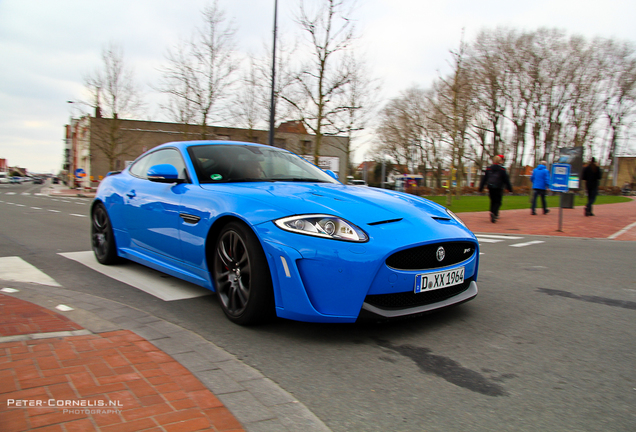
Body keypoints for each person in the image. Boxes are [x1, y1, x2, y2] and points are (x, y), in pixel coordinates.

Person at [479, 155, 513, 223]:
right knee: (498, 201)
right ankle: (494, 213)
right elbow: (506, 179)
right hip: (499, 187)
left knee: (492, 200)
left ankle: (492, 212)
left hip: (490, 187)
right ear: (500, 161)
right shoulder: (502, 169)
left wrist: (481, 187)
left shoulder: (488, 169)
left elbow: (485, 178)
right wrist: (509, 188)